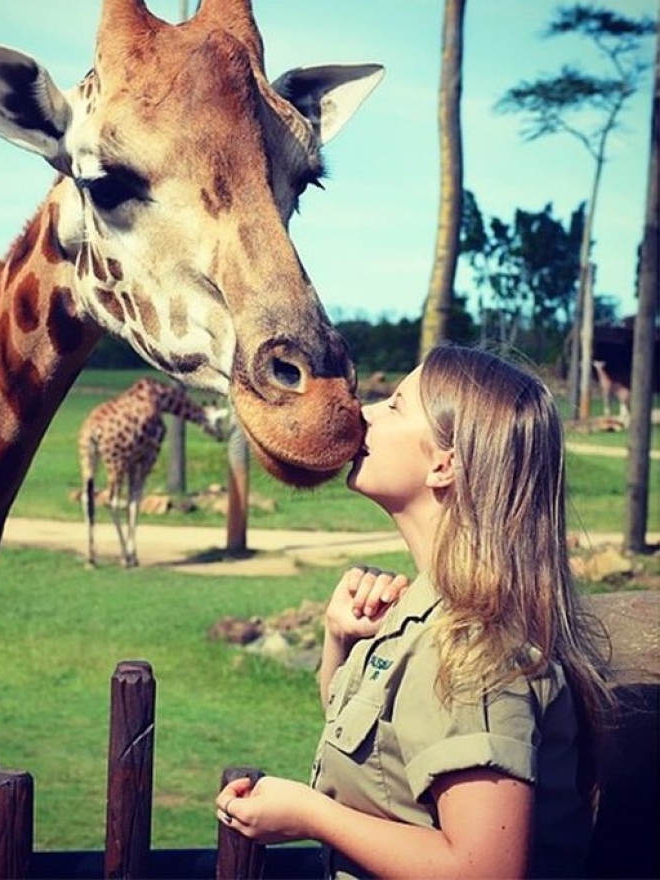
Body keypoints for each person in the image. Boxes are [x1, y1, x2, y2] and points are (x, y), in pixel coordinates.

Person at [216, 344, 613, 879]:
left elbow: (485, 870)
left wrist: (312, 815)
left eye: (396, 406)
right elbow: (379, 745)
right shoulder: (430, 608)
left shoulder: (476, 649)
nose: (365, 412)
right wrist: (341, 640)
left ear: (445, 465)